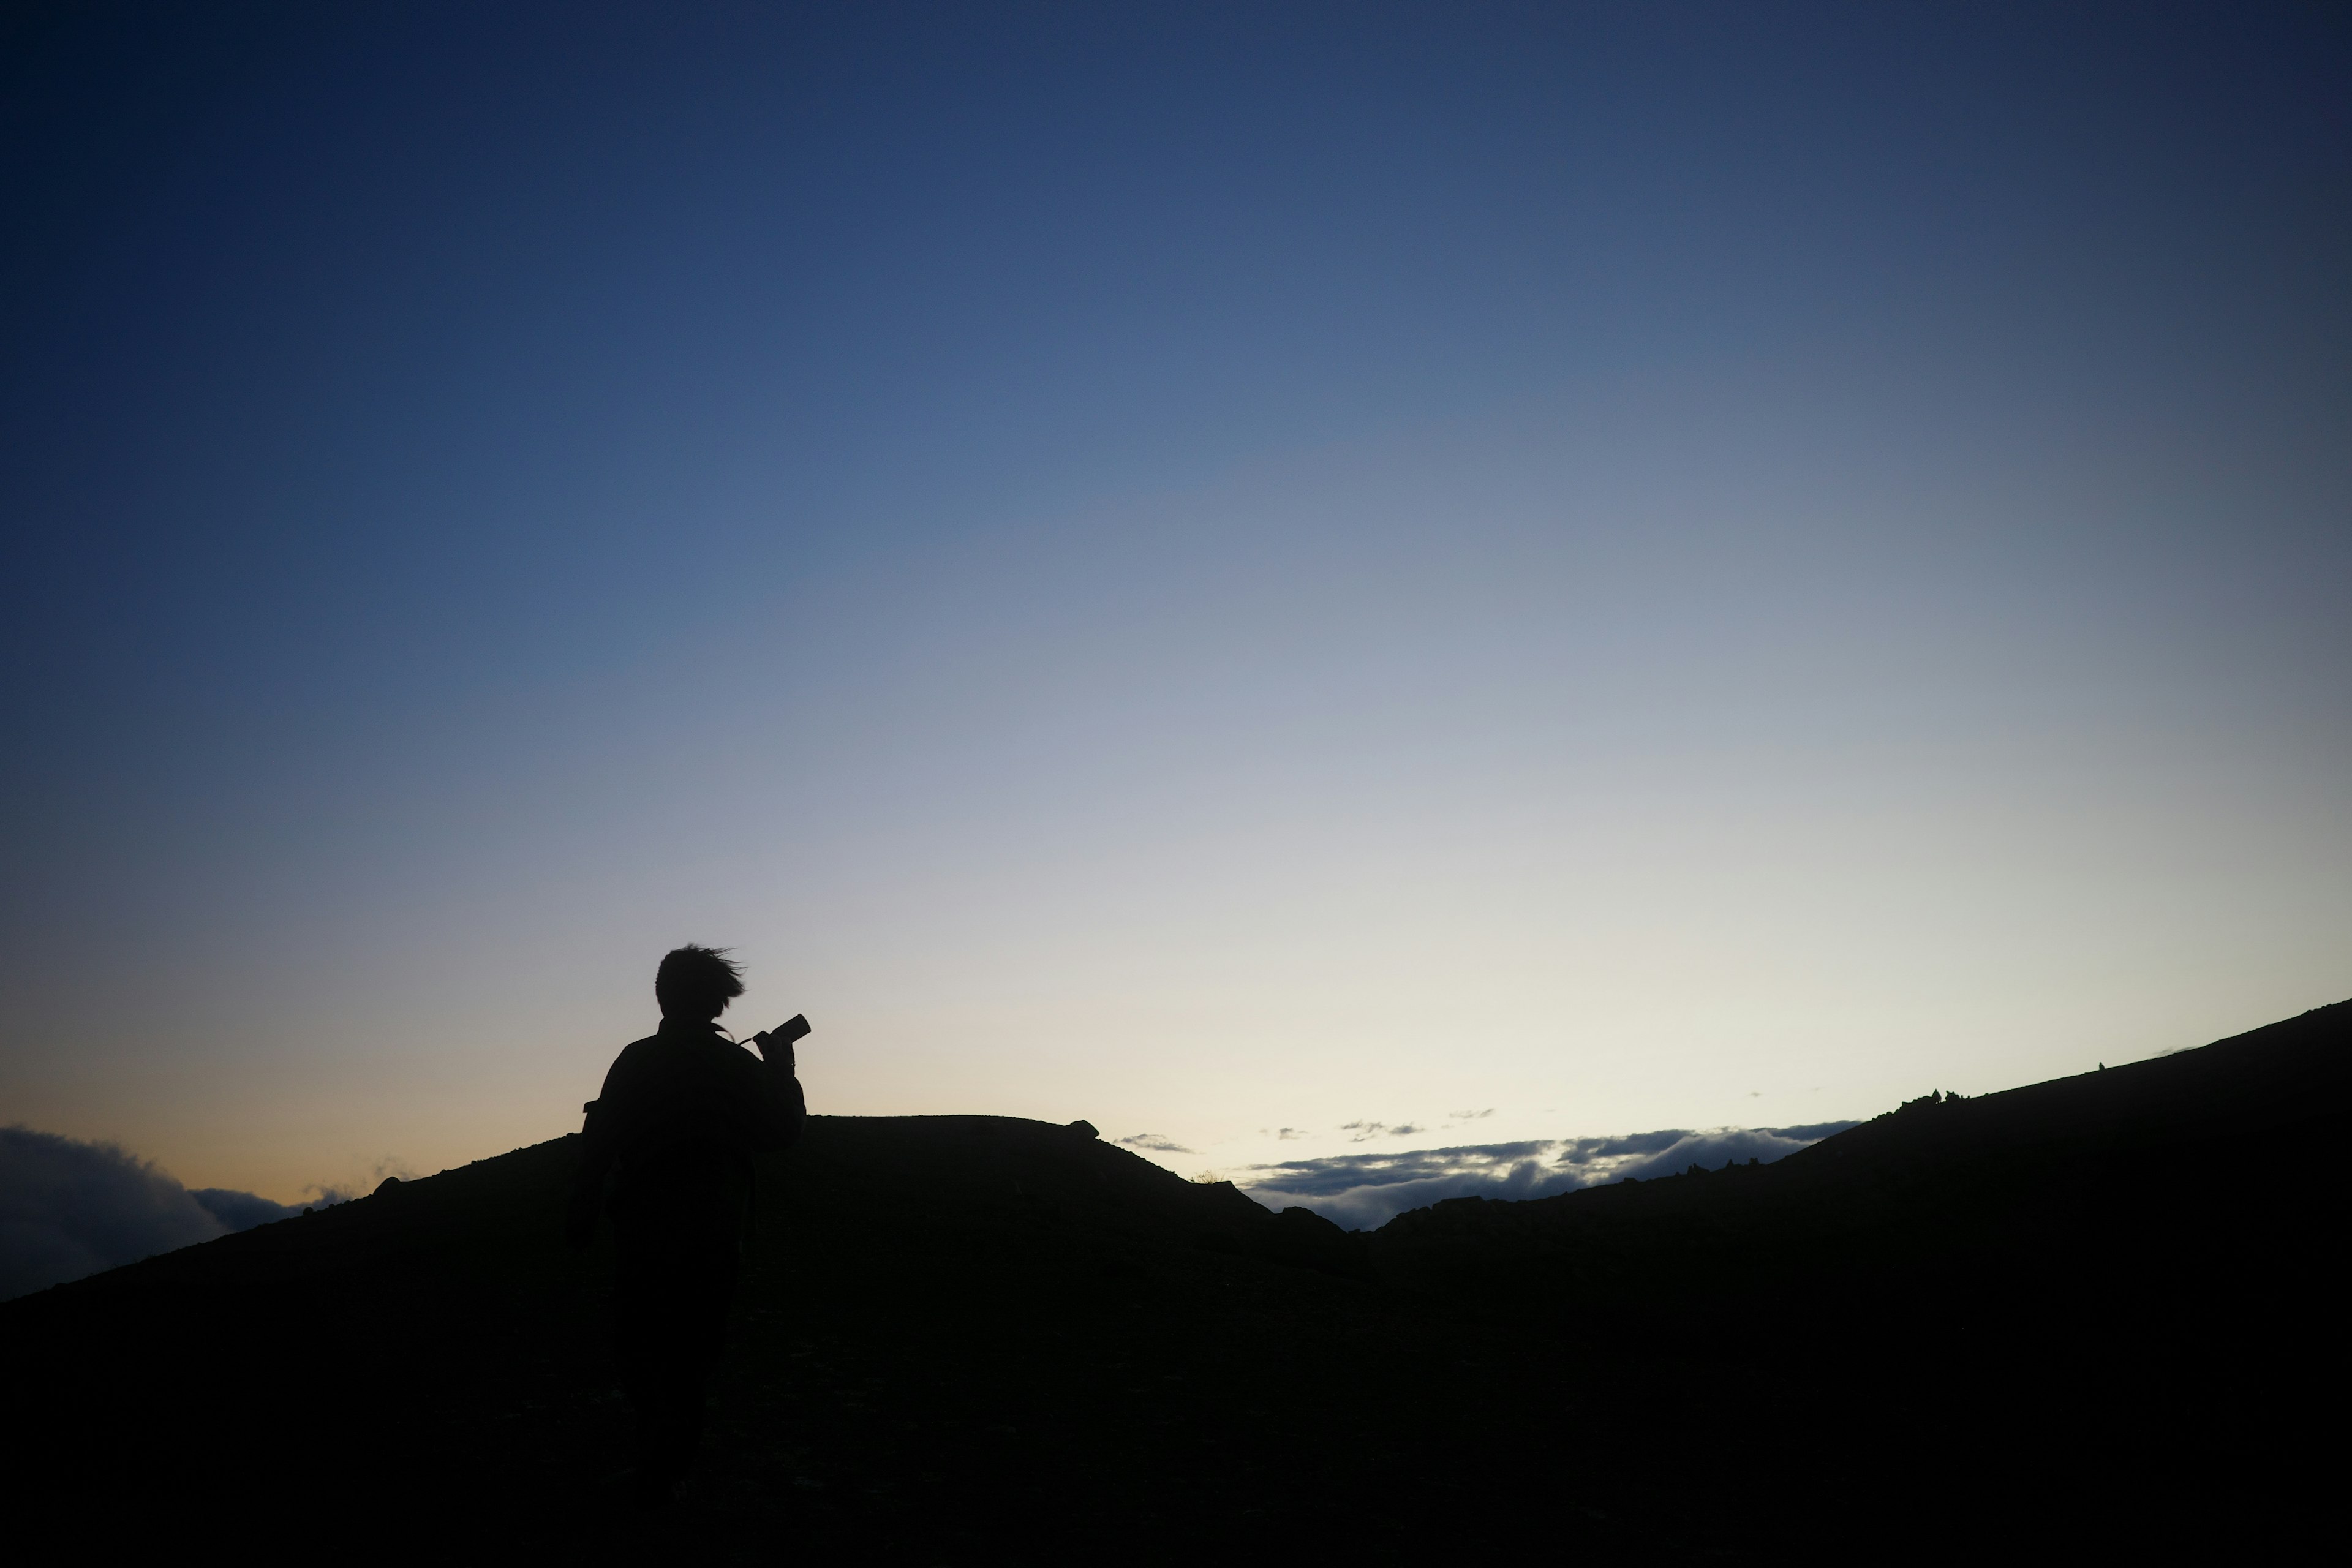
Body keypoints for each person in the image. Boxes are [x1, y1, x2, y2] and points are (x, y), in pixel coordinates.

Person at [566, 944, 805, 1505]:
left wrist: (581, 1209)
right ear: (721, 1002)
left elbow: (600, 1141)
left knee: (639, 1351)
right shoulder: (735, 1065)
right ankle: (667, 1474)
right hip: (715, 1234)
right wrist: (784, 1073)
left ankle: (655, 1470)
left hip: (643, 1232)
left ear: (663, 997)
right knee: (691, 1359)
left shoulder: (635, 1059)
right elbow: (782, 1134)